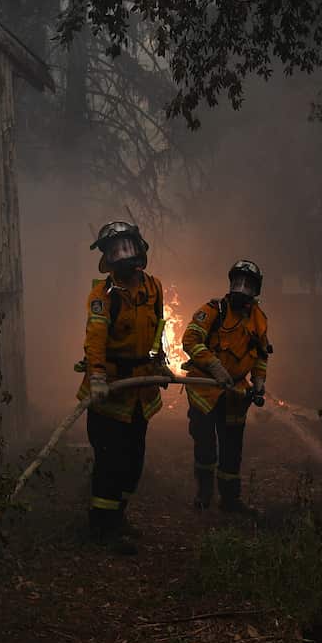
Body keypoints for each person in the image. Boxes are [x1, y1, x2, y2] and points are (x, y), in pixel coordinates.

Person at [77, 220, 169, 555]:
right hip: (110, 393)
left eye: (127, 248)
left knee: (133, 462)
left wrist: (159, 360)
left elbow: (159, 326)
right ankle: (102, 528)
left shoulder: (155, 287)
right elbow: (95, 341)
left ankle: (118, 517)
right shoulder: (103, 296)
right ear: (108, 259)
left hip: (140, 393)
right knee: (109, 462)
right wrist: (98, 378)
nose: (123, 257)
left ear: (140, 248)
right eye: (116, 251)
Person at [181, 260, 271, 514]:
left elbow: (261, 354)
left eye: (248, 285)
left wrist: (260, 380)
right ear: (230, 284)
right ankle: (204, 492)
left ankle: (230, 500)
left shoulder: (259, 319)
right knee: (206, 447)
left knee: (232, 448)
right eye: (237, 283)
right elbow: (190, 339)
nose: (241, 289)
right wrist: (214, 366)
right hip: (204, 391)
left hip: (236, 394)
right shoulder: (214, 310)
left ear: (256, 290)